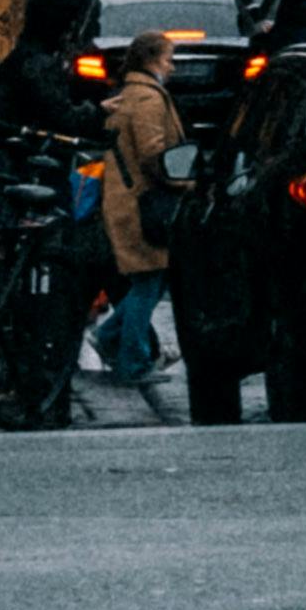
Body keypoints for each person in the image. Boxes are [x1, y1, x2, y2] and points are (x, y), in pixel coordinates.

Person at [86, 42, 185, 411]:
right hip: (143, 202)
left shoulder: (131, 94)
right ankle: (132, 360)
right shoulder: (147, 99)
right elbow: (153, 154)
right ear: (150, 60)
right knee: (149, 278)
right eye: (167, 59)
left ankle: (109, 334)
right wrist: (183, 181)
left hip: (129, 198)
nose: (171, 67)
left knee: (149, 277)